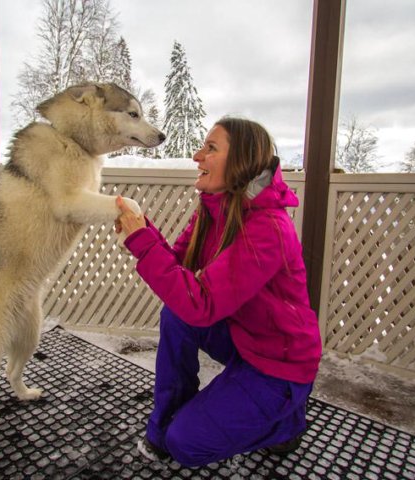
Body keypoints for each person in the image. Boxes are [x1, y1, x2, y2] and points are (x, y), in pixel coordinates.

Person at [114, 116, 322, 467]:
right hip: (244, 339)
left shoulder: (268, 226)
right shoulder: (213, 210)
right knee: (175, 314)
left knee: (187, 446)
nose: (197, 156)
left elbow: (203, 303)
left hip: (280, 364)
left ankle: (287, 422)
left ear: (241, 159)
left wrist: (141, 242)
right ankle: (167, 418)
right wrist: (142, 231)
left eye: (211, 148)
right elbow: (177, 266)